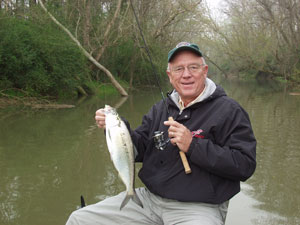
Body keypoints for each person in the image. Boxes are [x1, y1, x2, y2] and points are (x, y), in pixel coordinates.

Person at [66, 42, 256, 225]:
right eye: (179, 69)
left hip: (199, 207)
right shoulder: (160, 109)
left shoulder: (229, 110)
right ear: (169, 75)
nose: (186, 75)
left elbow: (245, 165)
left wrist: (193, 145)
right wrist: (117, 128)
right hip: (149, 201)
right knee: (79, 219)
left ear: (205, 71)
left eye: (193, 67)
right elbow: (138, 148)